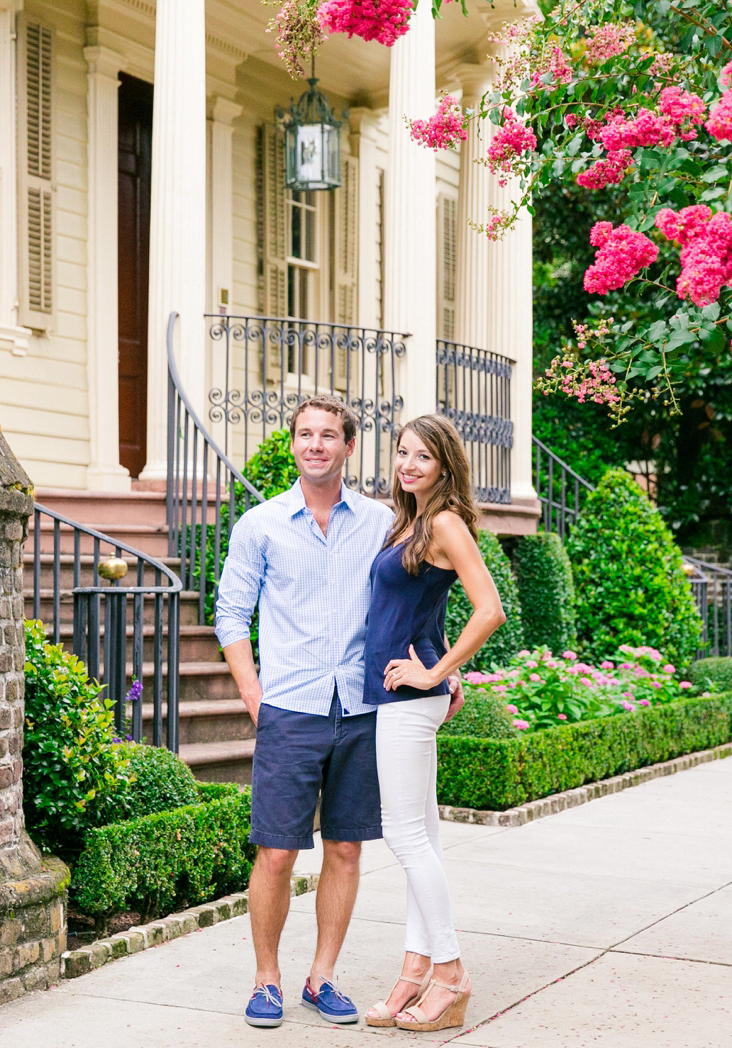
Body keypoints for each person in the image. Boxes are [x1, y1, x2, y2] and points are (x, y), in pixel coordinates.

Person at [214, 394, 400, 1029]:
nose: (316, 444)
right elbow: (232, 615)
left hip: (360, 707)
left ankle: (322, 977)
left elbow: (408, 601)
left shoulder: (381, 522)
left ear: (349, 446)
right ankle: (266, 979)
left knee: (345, 849)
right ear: (292, 445)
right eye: (305, 434)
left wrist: (436, 666)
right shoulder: (260, 525)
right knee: (275, 853)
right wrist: (252, 696)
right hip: (289, 709)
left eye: (329, 434)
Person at [360, 415, 507, 1032]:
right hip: (401, 695)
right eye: (402, 453)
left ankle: (450, 972)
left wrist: (435, 670)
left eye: (423, 456)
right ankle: (415, 969)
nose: (409, 464)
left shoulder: (444, 522)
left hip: (405, 699)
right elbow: (422, 608)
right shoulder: (410, 524)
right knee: (423, 834)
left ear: (445, 465)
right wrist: (443, 666)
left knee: (405, 836)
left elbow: (490, 609)